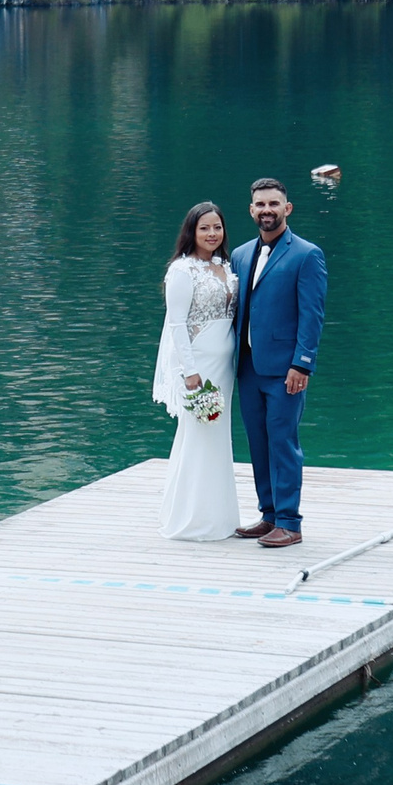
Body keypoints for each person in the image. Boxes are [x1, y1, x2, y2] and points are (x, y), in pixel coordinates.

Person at [230, 176, 326, 549]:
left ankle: (290, 521)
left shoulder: (306, 254)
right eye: (260, 204)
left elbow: (312, 315)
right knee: (257, 442)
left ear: (287, 209)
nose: (266, 210)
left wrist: (302, 364)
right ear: (251, 209)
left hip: (286, 368)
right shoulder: (239, 255)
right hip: (248, 366)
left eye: (274, 204)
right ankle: (268, 515)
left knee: (283, 442)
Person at [153, 202, 240, 540]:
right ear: (192, 231)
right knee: (200, 435)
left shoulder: (225, 266)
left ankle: (220, 517)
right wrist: (190, 373)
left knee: (219, 438)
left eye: (217, 227)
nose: (212, 234)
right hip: (200, 365)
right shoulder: (182, 270)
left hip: (225, 366)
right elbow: (177, 324)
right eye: (204, 228)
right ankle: (191, 519)